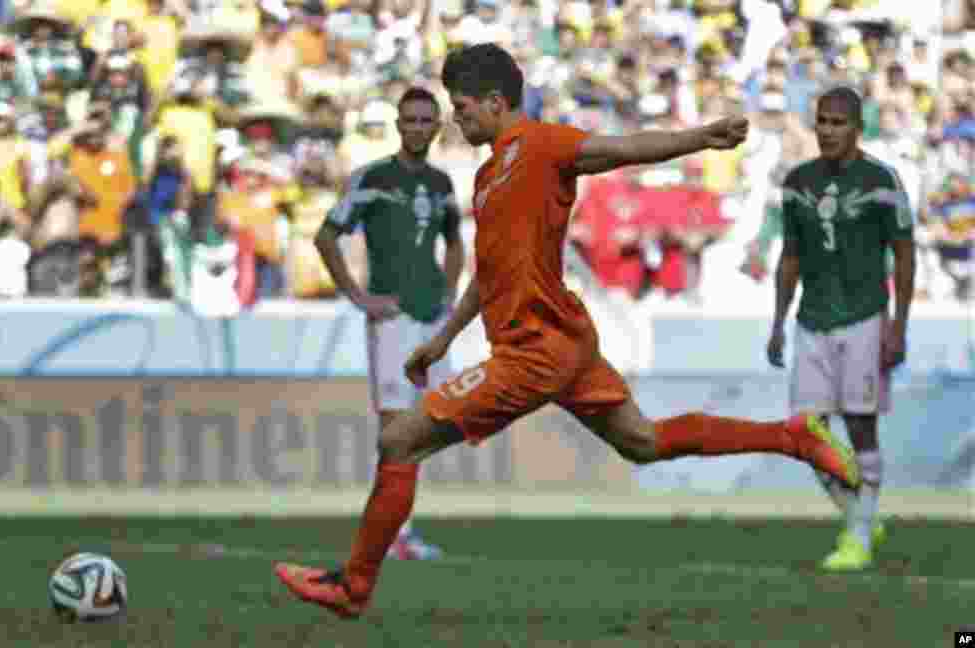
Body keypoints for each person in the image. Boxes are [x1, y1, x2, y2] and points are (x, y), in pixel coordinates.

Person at [275, 43, 860, 618]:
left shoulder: (541, 143)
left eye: (463, 106)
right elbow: (490, 273)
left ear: (497, 101)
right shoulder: (485, 178)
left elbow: (619, 149)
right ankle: (793, 437)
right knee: (644, 443)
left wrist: (699, 138)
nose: (457, 117)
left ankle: (353, 587)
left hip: (534, 351)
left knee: (400, 440)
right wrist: (446, 338)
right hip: (563, 343)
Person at [766, 87, 915, 572]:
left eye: (838, 122)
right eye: (822, 122)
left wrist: (898, 325)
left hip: (865, 318)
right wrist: (777, 322)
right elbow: (789, 256)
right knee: (804, 434)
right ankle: (861, 516)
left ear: (858, 128)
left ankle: (857, 538)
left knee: (860, 427)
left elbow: (905, 253)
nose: (828, 131)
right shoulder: (797, 181)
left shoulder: (882, 180)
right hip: (811, 320)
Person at [313, 86, 465, 560]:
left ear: (437, 127)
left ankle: (401, 533)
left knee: (421, 429)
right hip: (394, 319)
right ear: (398, 125)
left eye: (426, 120)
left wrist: (450, 292)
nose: (418, 128)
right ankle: (392, 537)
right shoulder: (373, 177)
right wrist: (359, 296)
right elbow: (325, 237)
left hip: (430, 319)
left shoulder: (443, 184)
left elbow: (455, 242)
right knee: (398, 428)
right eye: (410, 120)